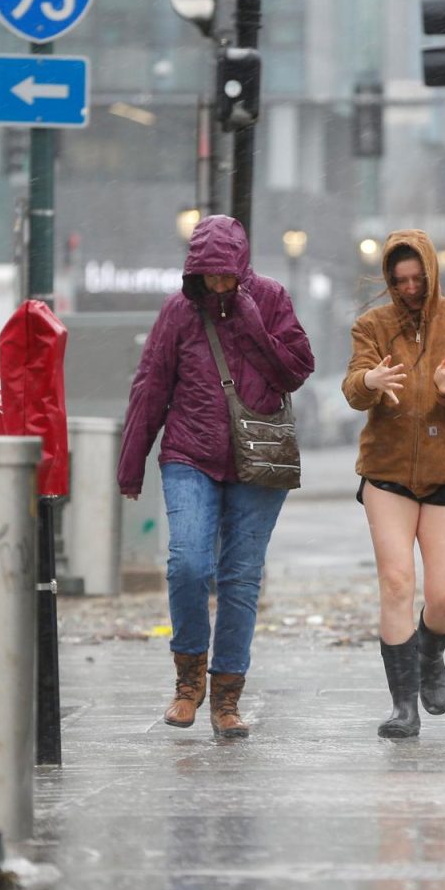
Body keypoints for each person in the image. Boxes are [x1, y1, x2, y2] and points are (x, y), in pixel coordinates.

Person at [117, 214, 314, 738]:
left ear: (243, 268)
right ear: (195, 272)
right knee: (187, 564)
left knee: (240, 579)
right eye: (210, 275)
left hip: (258, 458)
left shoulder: (269, 298)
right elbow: (150, 388)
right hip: (190, 453)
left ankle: (227, 699)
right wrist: (131, 462)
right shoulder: (178, 312)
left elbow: (297, 369)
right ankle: (188, 682)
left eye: (227, 275)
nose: (219, 284)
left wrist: (252, 322)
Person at [342, 229, 445, 739]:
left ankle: (430, 655)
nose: (408, 288)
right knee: (397, 583)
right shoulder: (372, 326)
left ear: (431, 273)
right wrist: (370, 383)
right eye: (398, 280)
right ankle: (403, 705)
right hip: (387, 473)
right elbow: (352, 387)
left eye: (416, 278)